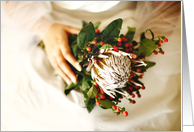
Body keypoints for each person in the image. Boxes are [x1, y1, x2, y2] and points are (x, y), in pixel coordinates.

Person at [1, 1, 181, 131]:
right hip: (52, 25)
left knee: (110, 117)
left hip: (128, 34)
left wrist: (135, 53)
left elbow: (167, 6)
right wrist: (46, 29)